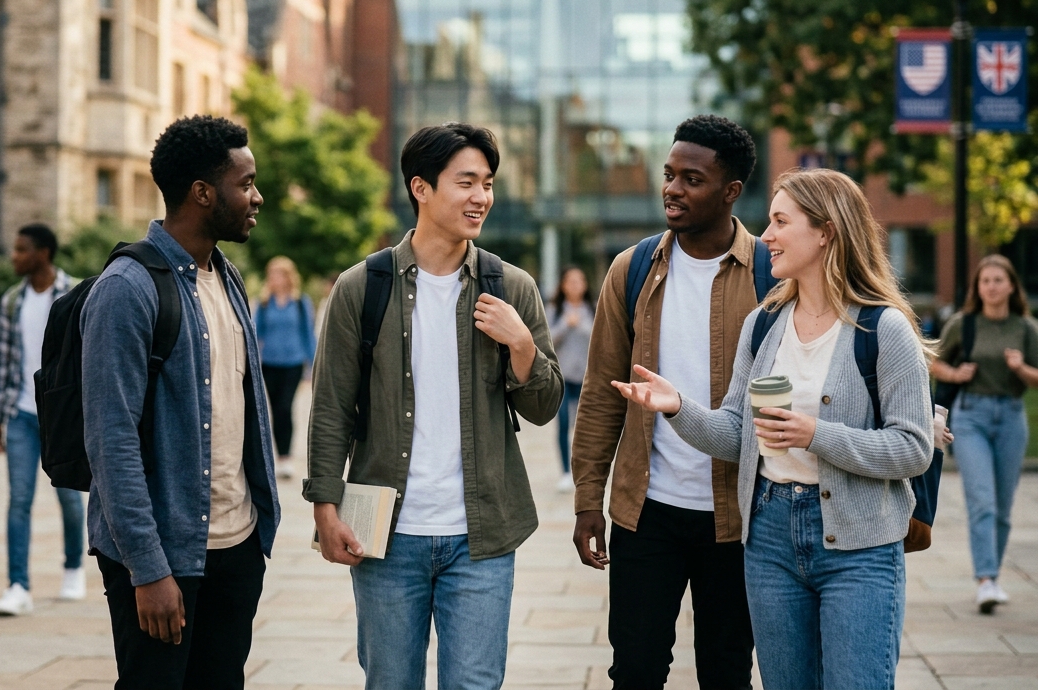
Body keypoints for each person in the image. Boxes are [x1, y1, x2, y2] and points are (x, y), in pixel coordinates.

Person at [616, 168, 934, 690]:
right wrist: (677, 407)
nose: (766, 236)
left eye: (781, 221)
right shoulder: (764, 324)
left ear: (826, 231)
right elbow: (739, 433)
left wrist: (815, 434)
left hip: (859, 547)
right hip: (769, 539)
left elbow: (913, 448)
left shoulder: (884, 327)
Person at [306, 123, 563, 690]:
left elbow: (545, 406)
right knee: (390, 683)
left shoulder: (510, 286)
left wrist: (521, 345)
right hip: (387, 536)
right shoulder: (361, 288)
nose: (481, 198)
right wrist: (325, 506)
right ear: (420, 188)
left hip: (482, 537)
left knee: (475, 684)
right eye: (465, 182)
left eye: (488, 184)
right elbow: (331, 408)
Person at [81, 115, 280, 689]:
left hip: (235, 546)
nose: (256, 196)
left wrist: (257, 537)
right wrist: (147, 569)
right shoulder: (126, 288)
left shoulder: (228, 277)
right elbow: (110, 439)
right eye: (245, 184)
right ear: (202, 193)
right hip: (163, 558)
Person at [571, 115, 760, 689]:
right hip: (646, 510)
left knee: (726, 673)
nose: (673, 189)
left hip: (741, 517)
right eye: (669, 174)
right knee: (635, 668)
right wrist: (587, 500)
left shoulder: (773, 274)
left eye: (692, 179)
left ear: (731, 192)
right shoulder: (632, 270)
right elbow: (602, 393)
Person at [931, 254, 1038, 614]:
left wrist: (1021, 368)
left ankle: (991, 575)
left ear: (1011, 285)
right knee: (983, 501)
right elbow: (934, 360)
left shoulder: (1025, 327)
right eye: (985, 281)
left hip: (1010, 416)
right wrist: (955, 375)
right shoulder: (964, 323)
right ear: (978, 288)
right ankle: (986, 579)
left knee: (1004, 509)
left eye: (998, 280)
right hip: (970, 416)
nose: (991, 286)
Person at [0, 224, 85, 615]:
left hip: (61, 418)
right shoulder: (12, 301)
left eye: (21, 249)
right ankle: (17, 585)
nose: (14, 256)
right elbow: (2, 364)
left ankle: (74, 566)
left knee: (70, 498)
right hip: (22, 415)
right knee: (19, 500)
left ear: (43, 253)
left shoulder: (75, 293)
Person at [254, 256, 315, 479]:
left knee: (285, 408)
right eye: (271, 274)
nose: (274, 278)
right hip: (269, 363)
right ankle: (276, 455)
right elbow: (254, 333)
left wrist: (313, 366)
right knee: (273, 410)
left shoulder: (300, 303)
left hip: (293, 363)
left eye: (278, 274)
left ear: (288, 277)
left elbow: (309, 336)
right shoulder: (263, 303)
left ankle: (285, 458)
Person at [547, 265, 593, 493]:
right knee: (563, 424)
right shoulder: (554, 310)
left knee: (585, 429)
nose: (575, 285)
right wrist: (566, 324)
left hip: (586, 379)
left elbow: (599, 340)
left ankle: (585, 473)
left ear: (585, 285)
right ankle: (566, 472)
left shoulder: (593, 309)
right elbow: (546, 341)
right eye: (570, 281)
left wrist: (581, 325)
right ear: (563, 285)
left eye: (579, 280)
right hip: (562, 379)